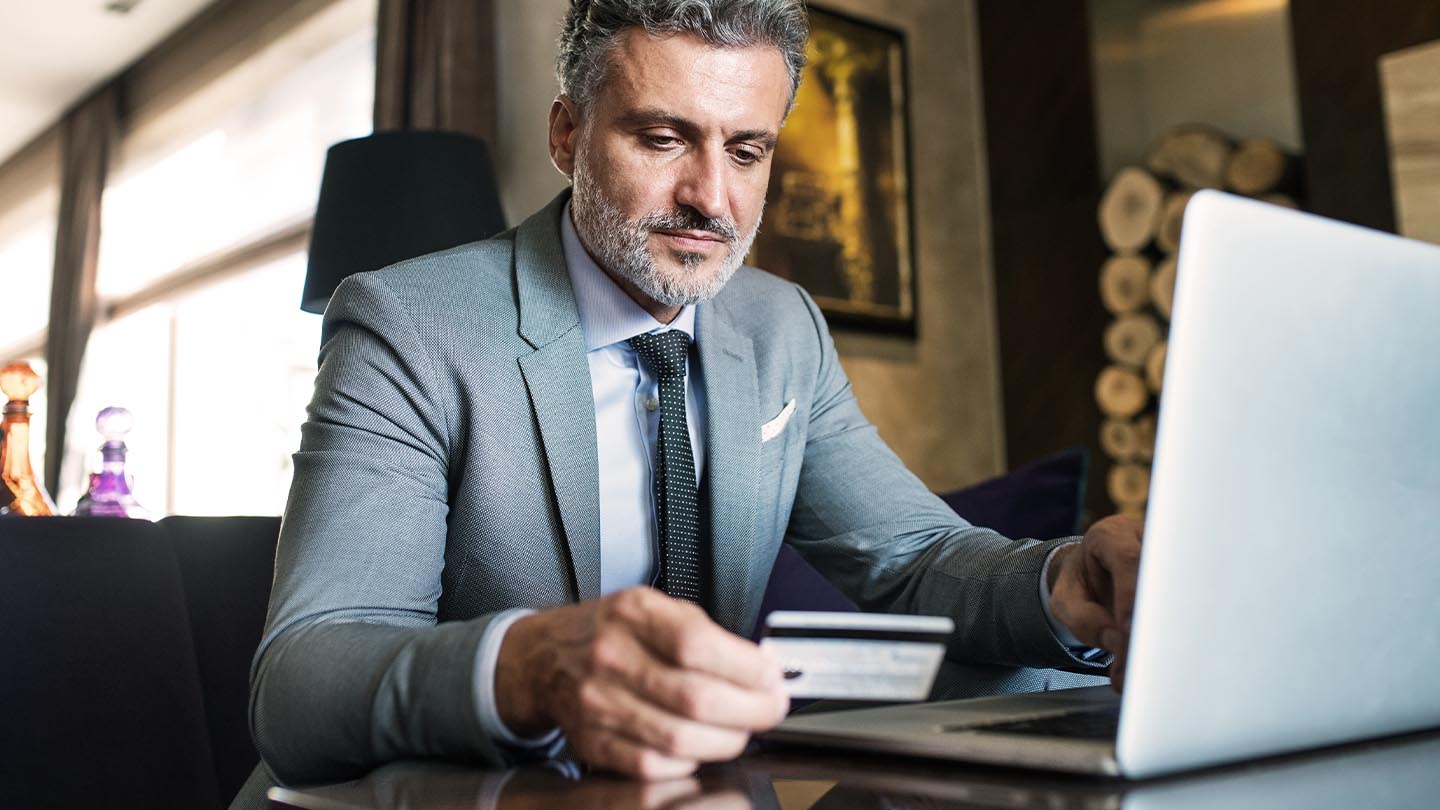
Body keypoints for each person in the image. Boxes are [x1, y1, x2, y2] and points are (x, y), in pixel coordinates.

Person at [238, 0, 1142, 802]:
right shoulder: (407, 324)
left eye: (746, 150)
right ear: (567, 136)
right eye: (663, 138)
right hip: (458, 793)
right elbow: (304, 679)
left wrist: (1067, 583)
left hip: (695, 792)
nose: (711, 197)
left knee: (1034, 681)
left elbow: (914, 555)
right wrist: (532, 664)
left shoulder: (783, 325)